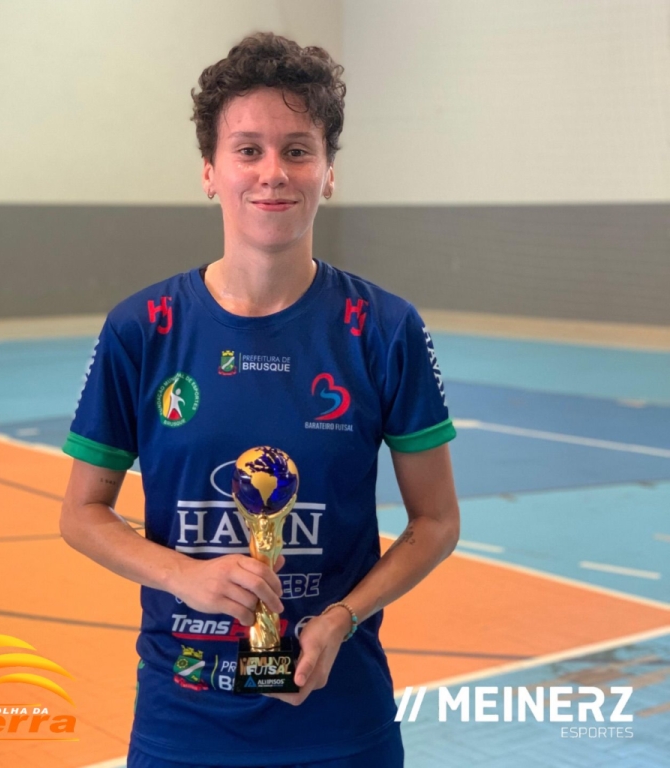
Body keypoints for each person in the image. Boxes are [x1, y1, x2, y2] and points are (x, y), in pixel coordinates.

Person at [60, 31, 460, 768]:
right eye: (248, 150)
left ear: (328, 172)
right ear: (210, 172)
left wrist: (343, 617)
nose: (273, 173)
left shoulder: (384, 328)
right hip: (184, 720)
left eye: (297, 150)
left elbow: (436, 520)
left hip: (341, 721)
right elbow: (82, 514)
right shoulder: (142, 329)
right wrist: (184, 576)